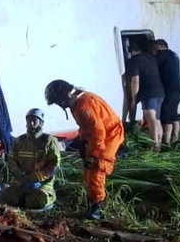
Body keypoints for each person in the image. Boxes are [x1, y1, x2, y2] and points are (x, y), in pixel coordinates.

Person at [44, 80, 124, 220]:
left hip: (108, 135)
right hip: (100, 135)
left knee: (96, 169)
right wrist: (82, 141)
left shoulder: (84, 105)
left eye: (59, 101)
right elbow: (87, 127)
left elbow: (98, 132)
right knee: (88, 170)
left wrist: (93, 154)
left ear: (66, 95)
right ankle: (92, 204)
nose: (60, 104)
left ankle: (96, 209)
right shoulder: (77, 103)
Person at [0, 108, 61, 210]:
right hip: (21, 183)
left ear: (41, 123)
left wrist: (35, 178)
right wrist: (21, 175)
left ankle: (50, 197)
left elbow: (54, 165)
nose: (30, 123)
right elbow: (11, 161)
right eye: (28, 120)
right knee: (5, 196)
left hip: (41, 185)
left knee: (38, 201)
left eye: (34, 121)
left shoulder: (49, 141)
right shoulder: (19, 141)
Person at [125, 38, 164, 149]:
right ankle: (160, 143)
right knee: (157, 119)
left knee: (151, 119)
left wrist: (133, 99)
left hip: (148, 93)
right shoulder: (151, 58)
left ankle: (154, 146)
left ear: (132, 52)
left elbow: (135, 82)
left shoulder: (134, 60)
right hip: (159, 91)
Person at [153, 39, 180, 146]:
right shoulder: (174, 55)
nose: (154, 50)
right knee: (174, 114)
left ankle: (167, 142)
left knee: (166, 116)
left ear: (161, 46)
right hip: (178, 88)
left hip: (169, 89)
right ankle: (175, 138)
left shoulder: (162, 55)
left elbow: (152, 63)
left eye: (155, 47)